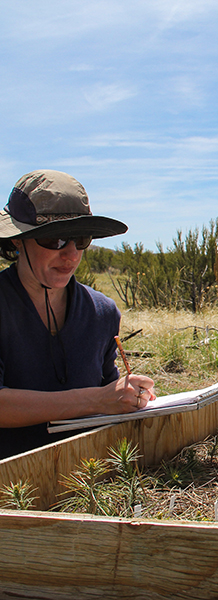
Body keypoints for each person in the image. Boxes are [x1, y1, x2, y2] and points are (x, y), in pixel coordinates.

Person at [0, 169, 155, 460]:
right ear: (18, 241)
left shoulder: (102, 312)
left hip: (88, 476)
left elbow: (107, 393)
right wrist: (98, 399)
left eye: (80, 240)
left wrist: (128, 397)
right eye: (55, 240)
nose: (71, 255)